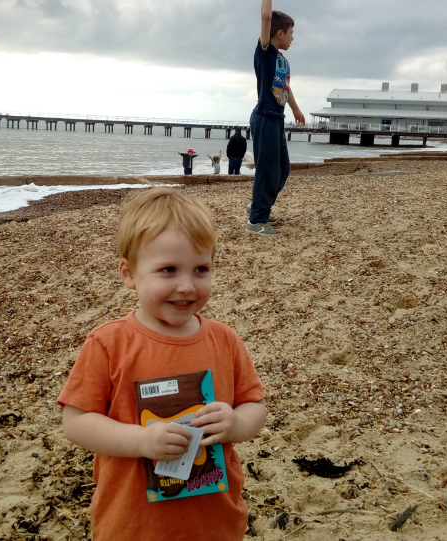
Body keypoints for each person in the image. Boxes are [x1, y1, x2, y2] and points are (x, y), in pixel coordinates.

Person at [58, 188, 267, 541]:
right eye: (168, 270)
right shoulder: (110, 343)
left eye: (201, 269)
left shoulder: (224, 340)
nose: (186, 286)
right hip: (133, 522)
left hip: (213, 519)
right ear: (129, 274)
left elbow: (255, 406)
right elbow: (76, 422)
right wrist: (141, 440)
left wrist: (234, 424)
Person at [246, 0, 305, 237]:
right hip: (264, 117)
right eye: (291, 33)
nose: (293, 38)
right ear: (279, 34)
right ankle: (256, 221)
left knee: (282, 170)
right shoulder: (266, 52)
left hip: (276, 118)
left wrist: (296, 111)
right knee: (267, 171)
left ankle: (258, 206)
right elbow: (266, 18)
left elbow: (285, 89)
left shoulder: (282, 60)